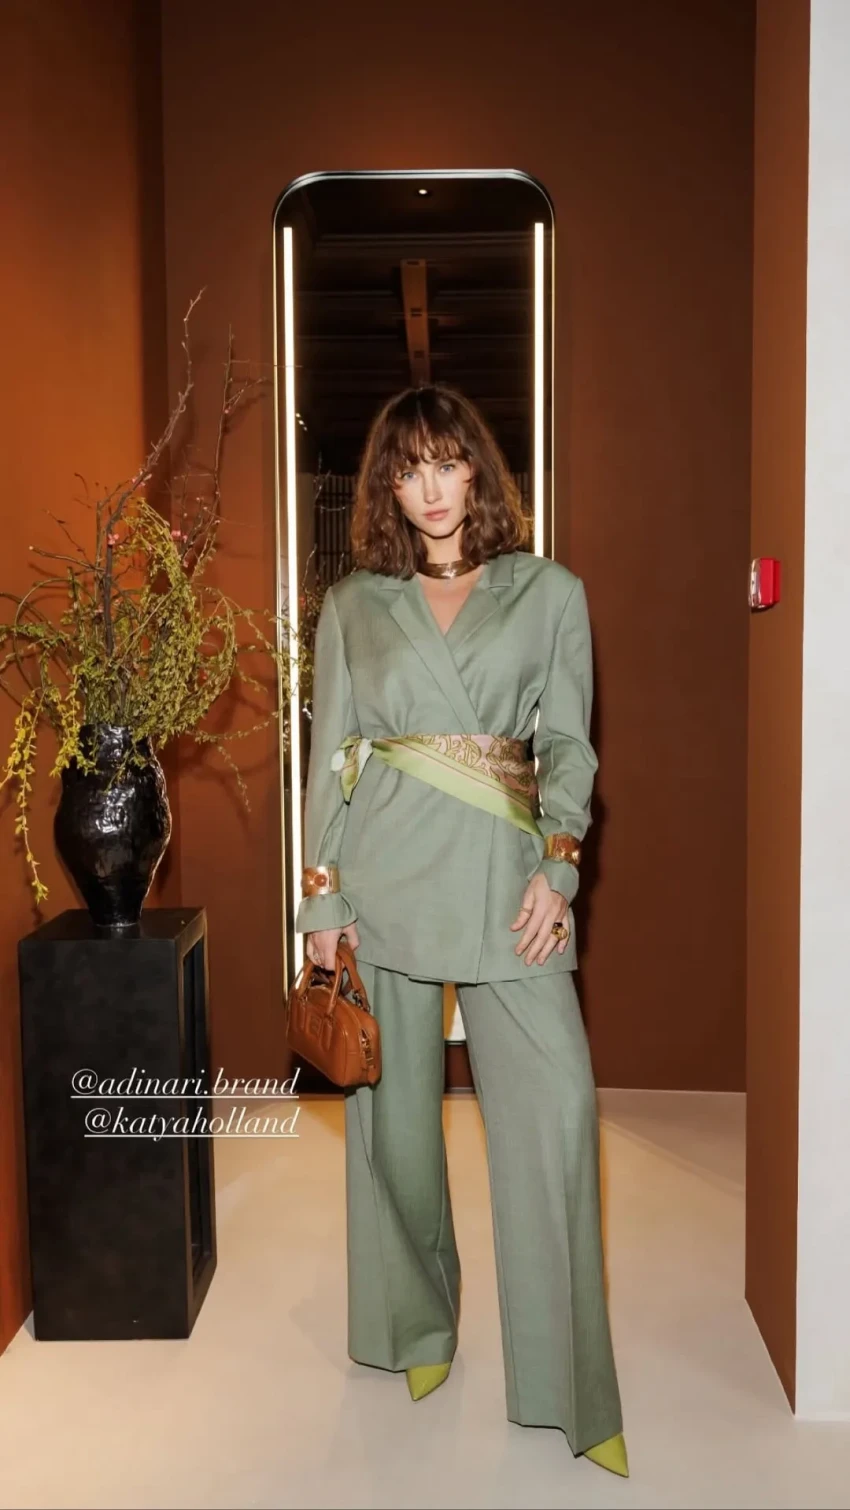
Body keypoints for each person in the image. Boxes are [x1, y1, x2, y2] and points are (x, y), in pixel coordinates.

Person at [295, 384, 628, 1478]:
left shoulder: (550, 593)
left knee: (558, 1120)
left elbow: (568, 747)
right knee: (392, 1134)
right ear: (387, 490)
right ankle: (415, 1329)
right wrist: (320, 900)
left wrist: (560, 865)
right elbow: (332, 759)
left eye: (447, 463)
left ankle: (572, 1388)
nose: (431, 488)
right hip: (383, 887)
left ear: (478, 469)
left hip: (506, 888)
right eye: (408, 470)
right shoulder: (355, 605)